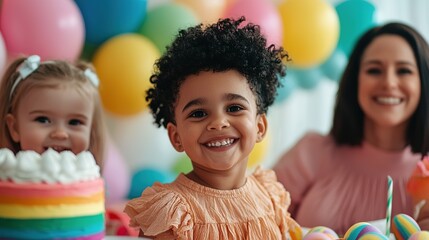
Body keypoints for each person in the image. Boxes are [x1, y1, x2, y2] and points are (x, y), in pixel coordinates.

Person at [124, 17, 301, 239]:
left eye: (234, 107)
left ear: (260, 126)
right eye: (198, 113)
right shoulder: (173, 214)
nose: (218, 122)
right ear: (176, 136)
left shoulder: (269, 195)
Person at [273, 22, 429, 234]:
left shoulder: (425, 174)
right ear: (355, 81)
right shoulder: (311, 152)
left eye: (404, 71)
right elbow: (259, 222)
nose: (389, 83)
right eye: (374, 70)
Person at [0, 55, 105, 167]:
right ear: (14, 127)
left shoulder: (92, 182)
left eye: (75, 122)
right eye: (43, 120)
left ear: (91, 130)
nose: (60, 134)